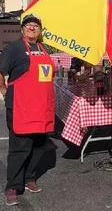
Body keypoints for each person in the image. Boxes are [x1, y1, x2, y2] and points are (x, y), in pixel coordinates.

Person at [0, 14, 55, 206]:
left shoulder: (42, 48)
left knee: (39, 145)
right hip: (20, 107)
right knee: (19, 147)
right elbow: (0, 71)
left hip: (42, 107)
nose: (32, 28)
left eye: (36, 26)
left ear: (39, 31)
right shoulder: (15, 48)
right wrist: (4, 90)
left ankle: (29, 177)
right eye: (28, 25)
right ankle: (13, 187)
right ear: (22, 29)